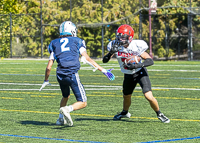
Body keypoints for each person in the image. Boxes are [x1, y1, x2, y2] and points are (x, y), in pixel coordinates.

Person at [39, 21, 115, 126]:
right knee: (83, 102)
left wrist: (46, 80)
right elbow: (87, 58)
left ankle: (60, 119)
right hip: (72, 74)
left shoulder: (54, 43)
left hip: (60, 75)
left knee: (66, 96)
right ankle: (67, 109)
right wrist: (103, 70)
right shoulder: (77, 41)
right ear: (72, 31)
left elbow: (49, 67)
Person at [103, 24, 170, 123]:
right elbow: (105, 61)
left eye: (123, 37)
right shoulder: (115, 45)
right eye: (119, 36)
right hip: (128, 74)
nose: (120, 39)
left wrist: (136, 66)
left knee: (148, 96)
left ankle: (159, 113)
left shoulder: (137, 45)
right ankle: (125, 112)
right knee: (126, 96)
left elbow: (150, 61)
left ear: (130, 38)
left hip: (140, 73)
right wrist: (110, 53)